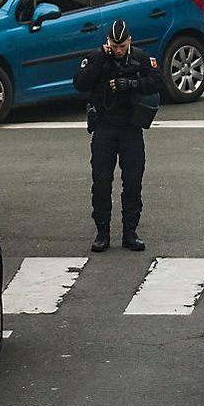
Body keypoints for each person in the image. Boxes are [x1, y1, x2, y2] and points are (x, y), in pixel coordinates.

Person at [73, 20, 163, 253]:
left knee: (133, 182)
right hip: (105, 127)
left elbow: (157, 81)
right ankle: (102, 232)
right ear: (108, 42)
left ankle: (130, 232)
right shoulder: (97, 57)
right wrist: (100, 60)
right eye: (114, 45)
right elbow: (80, 83)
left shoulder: (141, 58)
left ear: (129, 41)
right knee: (101, 182)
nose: (118, 50)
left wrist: (131, 84)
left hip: (131, 128)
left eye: (122, 45)